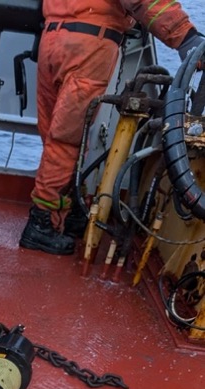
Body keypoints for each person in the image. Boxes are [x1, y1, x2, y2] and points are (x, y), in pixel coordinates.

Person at [19, 0, 204, 256]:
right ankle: (41, 222)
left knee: (54, 135)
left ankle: (68, 208)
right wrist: (186, 37)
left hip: (53, 39)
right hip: (88, 46)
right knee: (66, 140)